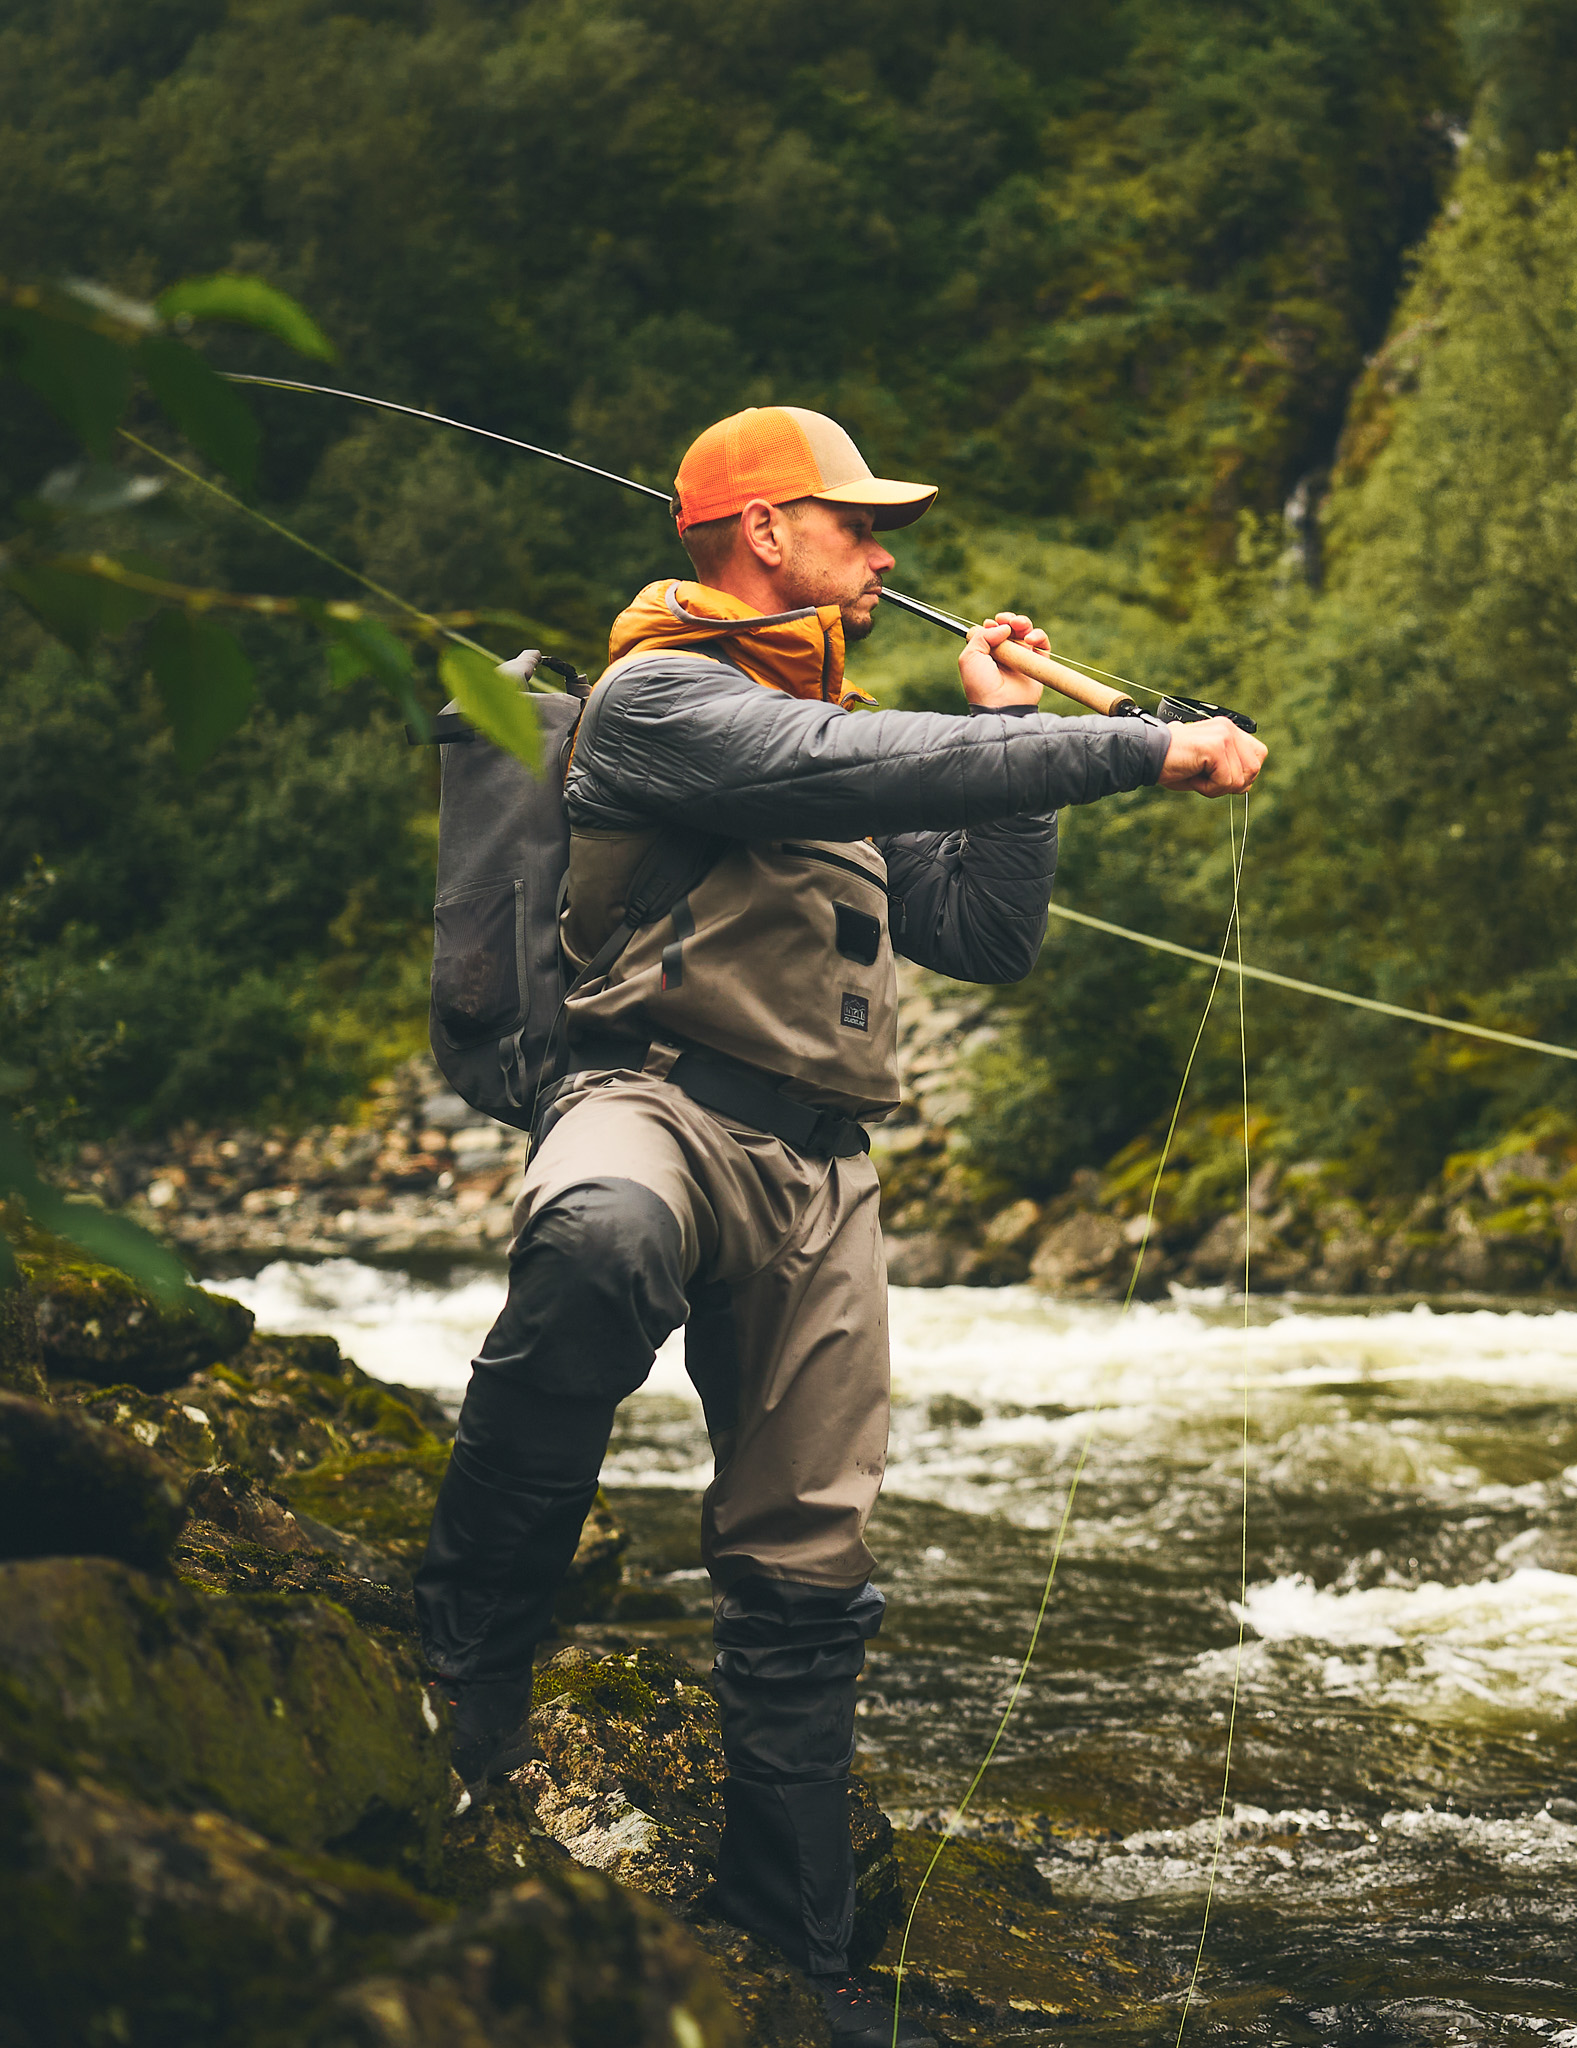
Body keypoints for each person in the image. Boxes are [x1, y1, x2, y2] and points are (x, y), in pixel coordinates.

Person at [414, 405, 1265, 2046]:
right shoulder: (662, 700)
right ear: (762, 536)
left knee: (806, 1578)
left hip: (821, 1173)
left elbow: (981, 931)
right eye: (859, 527)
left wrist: (1007, 737)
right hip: (647, 1101)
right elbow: (834, 767)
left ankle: (792, 1968)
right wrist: (1134, 743)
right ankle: (464, 1659)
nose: (886, 558)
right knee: (596, 1237)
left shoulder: (849, 732)